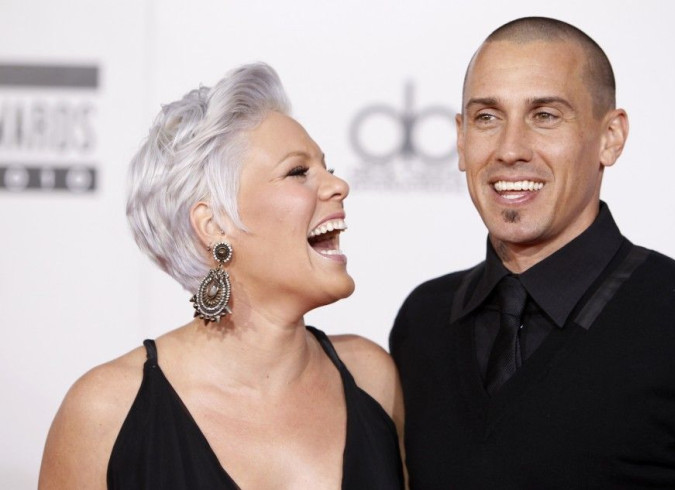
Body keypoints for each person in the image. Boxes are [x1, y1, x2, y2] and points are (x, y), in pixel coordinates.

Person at [390, 16, 675, 489]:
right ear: (460, 138)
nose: (510, 150)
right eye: (487, 117)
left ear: (610, 137)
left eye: (545, 115)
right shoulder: (423, 321)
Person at [39, 63, 405, 489]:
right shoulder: (106, 412)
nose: (338, 185)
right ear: (213, 225)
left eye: (327, 167)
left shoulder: (372, 379)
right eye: (298, 172)